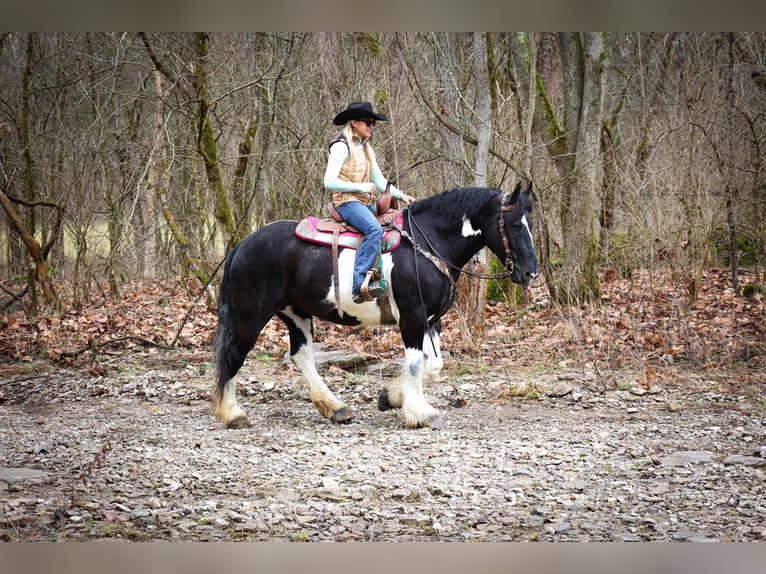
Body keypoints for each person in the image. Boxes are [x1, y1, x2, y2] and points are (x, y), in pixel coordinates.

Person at [324, 101, 415, 304]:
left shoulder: (366, 148)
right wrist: (362, 187)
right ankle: (359, 286)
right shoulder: (341, 146)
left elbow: (380, 180)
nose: (372, 126)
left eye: (374, 123)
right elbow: (329, 181)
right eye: (368, 122)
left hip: (363, 204)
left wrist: (401, 196)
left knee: (395, 220)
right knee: (374, 229)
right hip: (347, 203)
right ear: (354, 122)